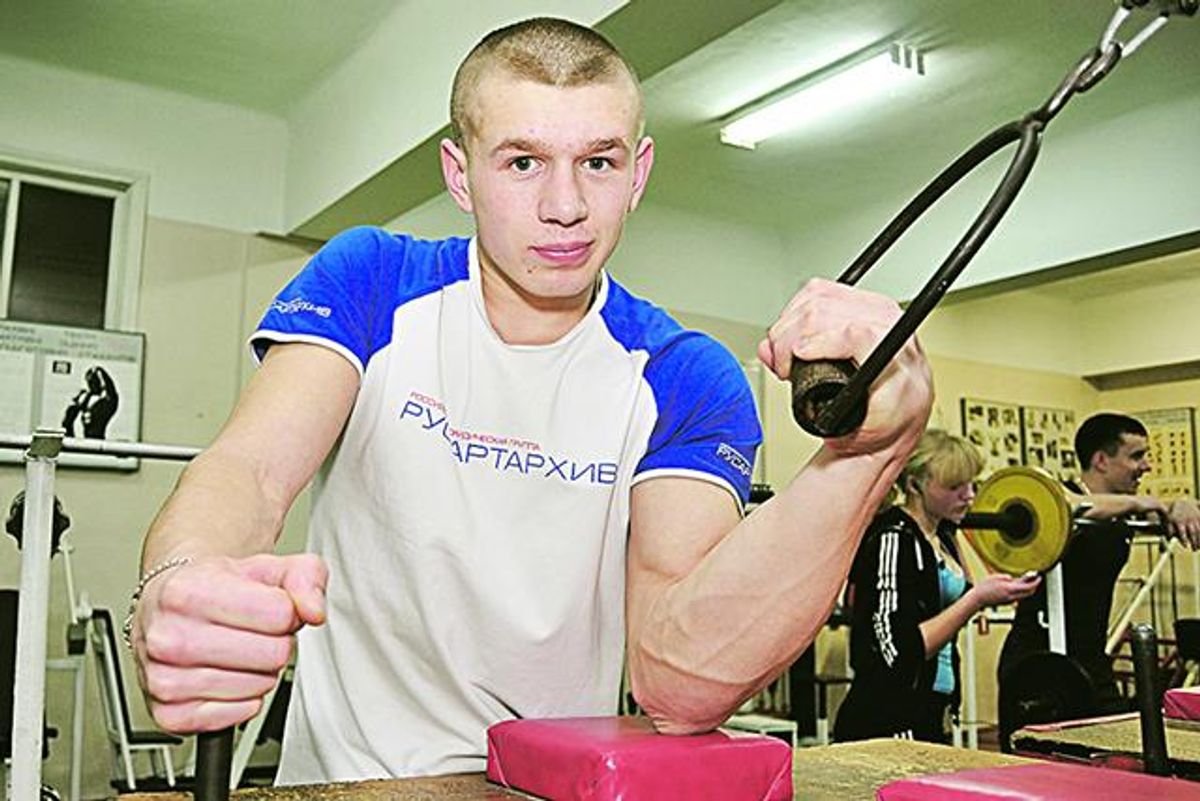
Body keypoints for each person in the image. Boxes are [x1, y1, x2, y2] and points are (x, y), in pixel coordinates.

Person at [126, 17, 933, 784]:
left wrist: (865, 455)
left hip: (544, 789)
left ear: (638, 172)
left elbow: (678, 678)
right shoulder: (374, 279)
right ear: (460, 175)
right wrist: (182, 576)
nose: (565, 205)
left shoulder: (685, 376)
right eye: (522, 162)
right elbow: (251, 470)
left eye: (599, 162)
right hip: (349, 785)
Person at [997, 412, 1200, 748]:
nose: (1146, 466)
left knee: (1118, 754)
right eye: (1136, 456)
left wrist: (1180, 504)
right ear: (1101, 460)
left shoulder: (1123, 512)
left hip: (1090, 659)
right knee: (1042, 766)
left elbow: (1171, 512)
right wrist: (1144, 502)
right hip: (1040, 659)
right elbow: (1070, 505)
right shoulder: (1064, 498)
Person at [833, 430, 1040, 743]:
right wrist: (976, 599)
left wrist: (995, 591)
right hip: (887, 719)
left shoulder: (943, 537)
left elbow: (953, 604)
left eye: (972, 484)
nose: (969, 496)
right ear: (914, 485)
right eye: (954, 487)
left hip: (931, 710)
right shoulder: (893, 539)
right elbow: (898, 652)